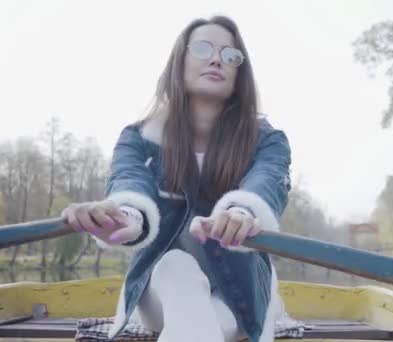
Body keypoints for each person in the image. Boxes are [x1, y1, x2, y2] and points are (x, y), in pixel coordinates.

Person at [62, 15, 291, 342]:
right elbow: (129, 182)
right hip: (160, 290)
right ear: (179, 62)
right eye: (203, 48)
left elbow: (266, 184)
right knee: (174, 266)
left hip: (240, 295)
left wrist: (242, 214)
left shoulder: (268, 140)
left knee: (205, 317)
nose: (216, 59)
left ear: (239, 73)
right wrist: (124, 214)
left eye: (230, 55)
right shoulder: (138, 137)